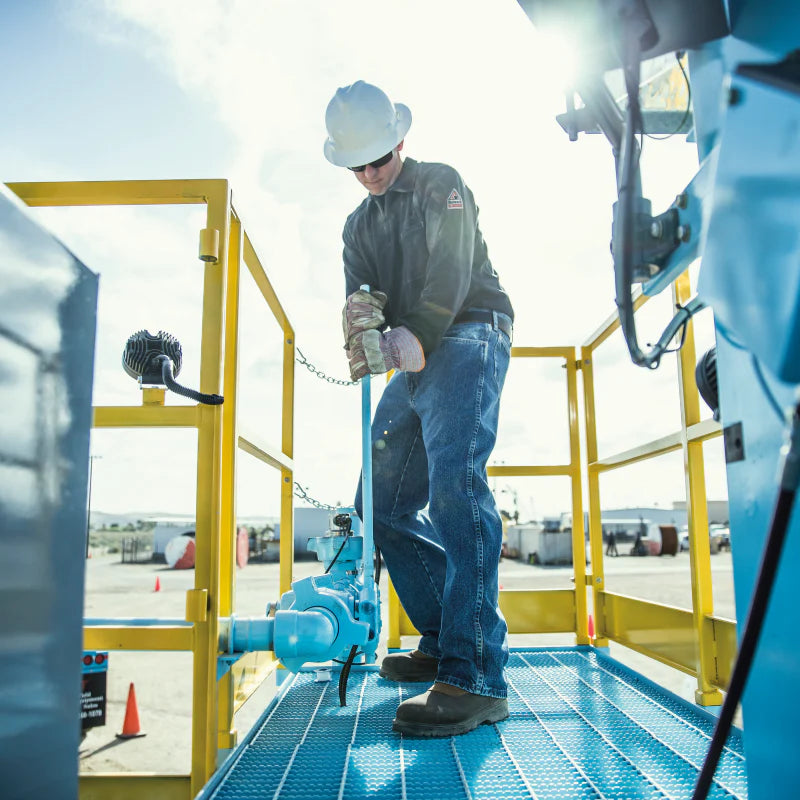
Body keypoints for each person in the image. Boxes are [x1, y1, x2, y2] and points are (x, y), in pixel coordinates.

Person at [324, 80, 515, 737]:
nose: (372, 175)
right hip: (414, 358)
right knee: (379, 504)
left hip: (466, 334)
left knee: (456, 492)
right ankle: (441, 638)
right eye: (359, 166)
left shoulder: (441, 183)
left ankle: (475, 678)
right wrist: (361, 327)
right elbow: (364, 298)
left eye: (380, 159)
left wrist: (415, 334)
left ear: (401, 140)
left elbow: (451, 270)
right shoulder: (357, 226)